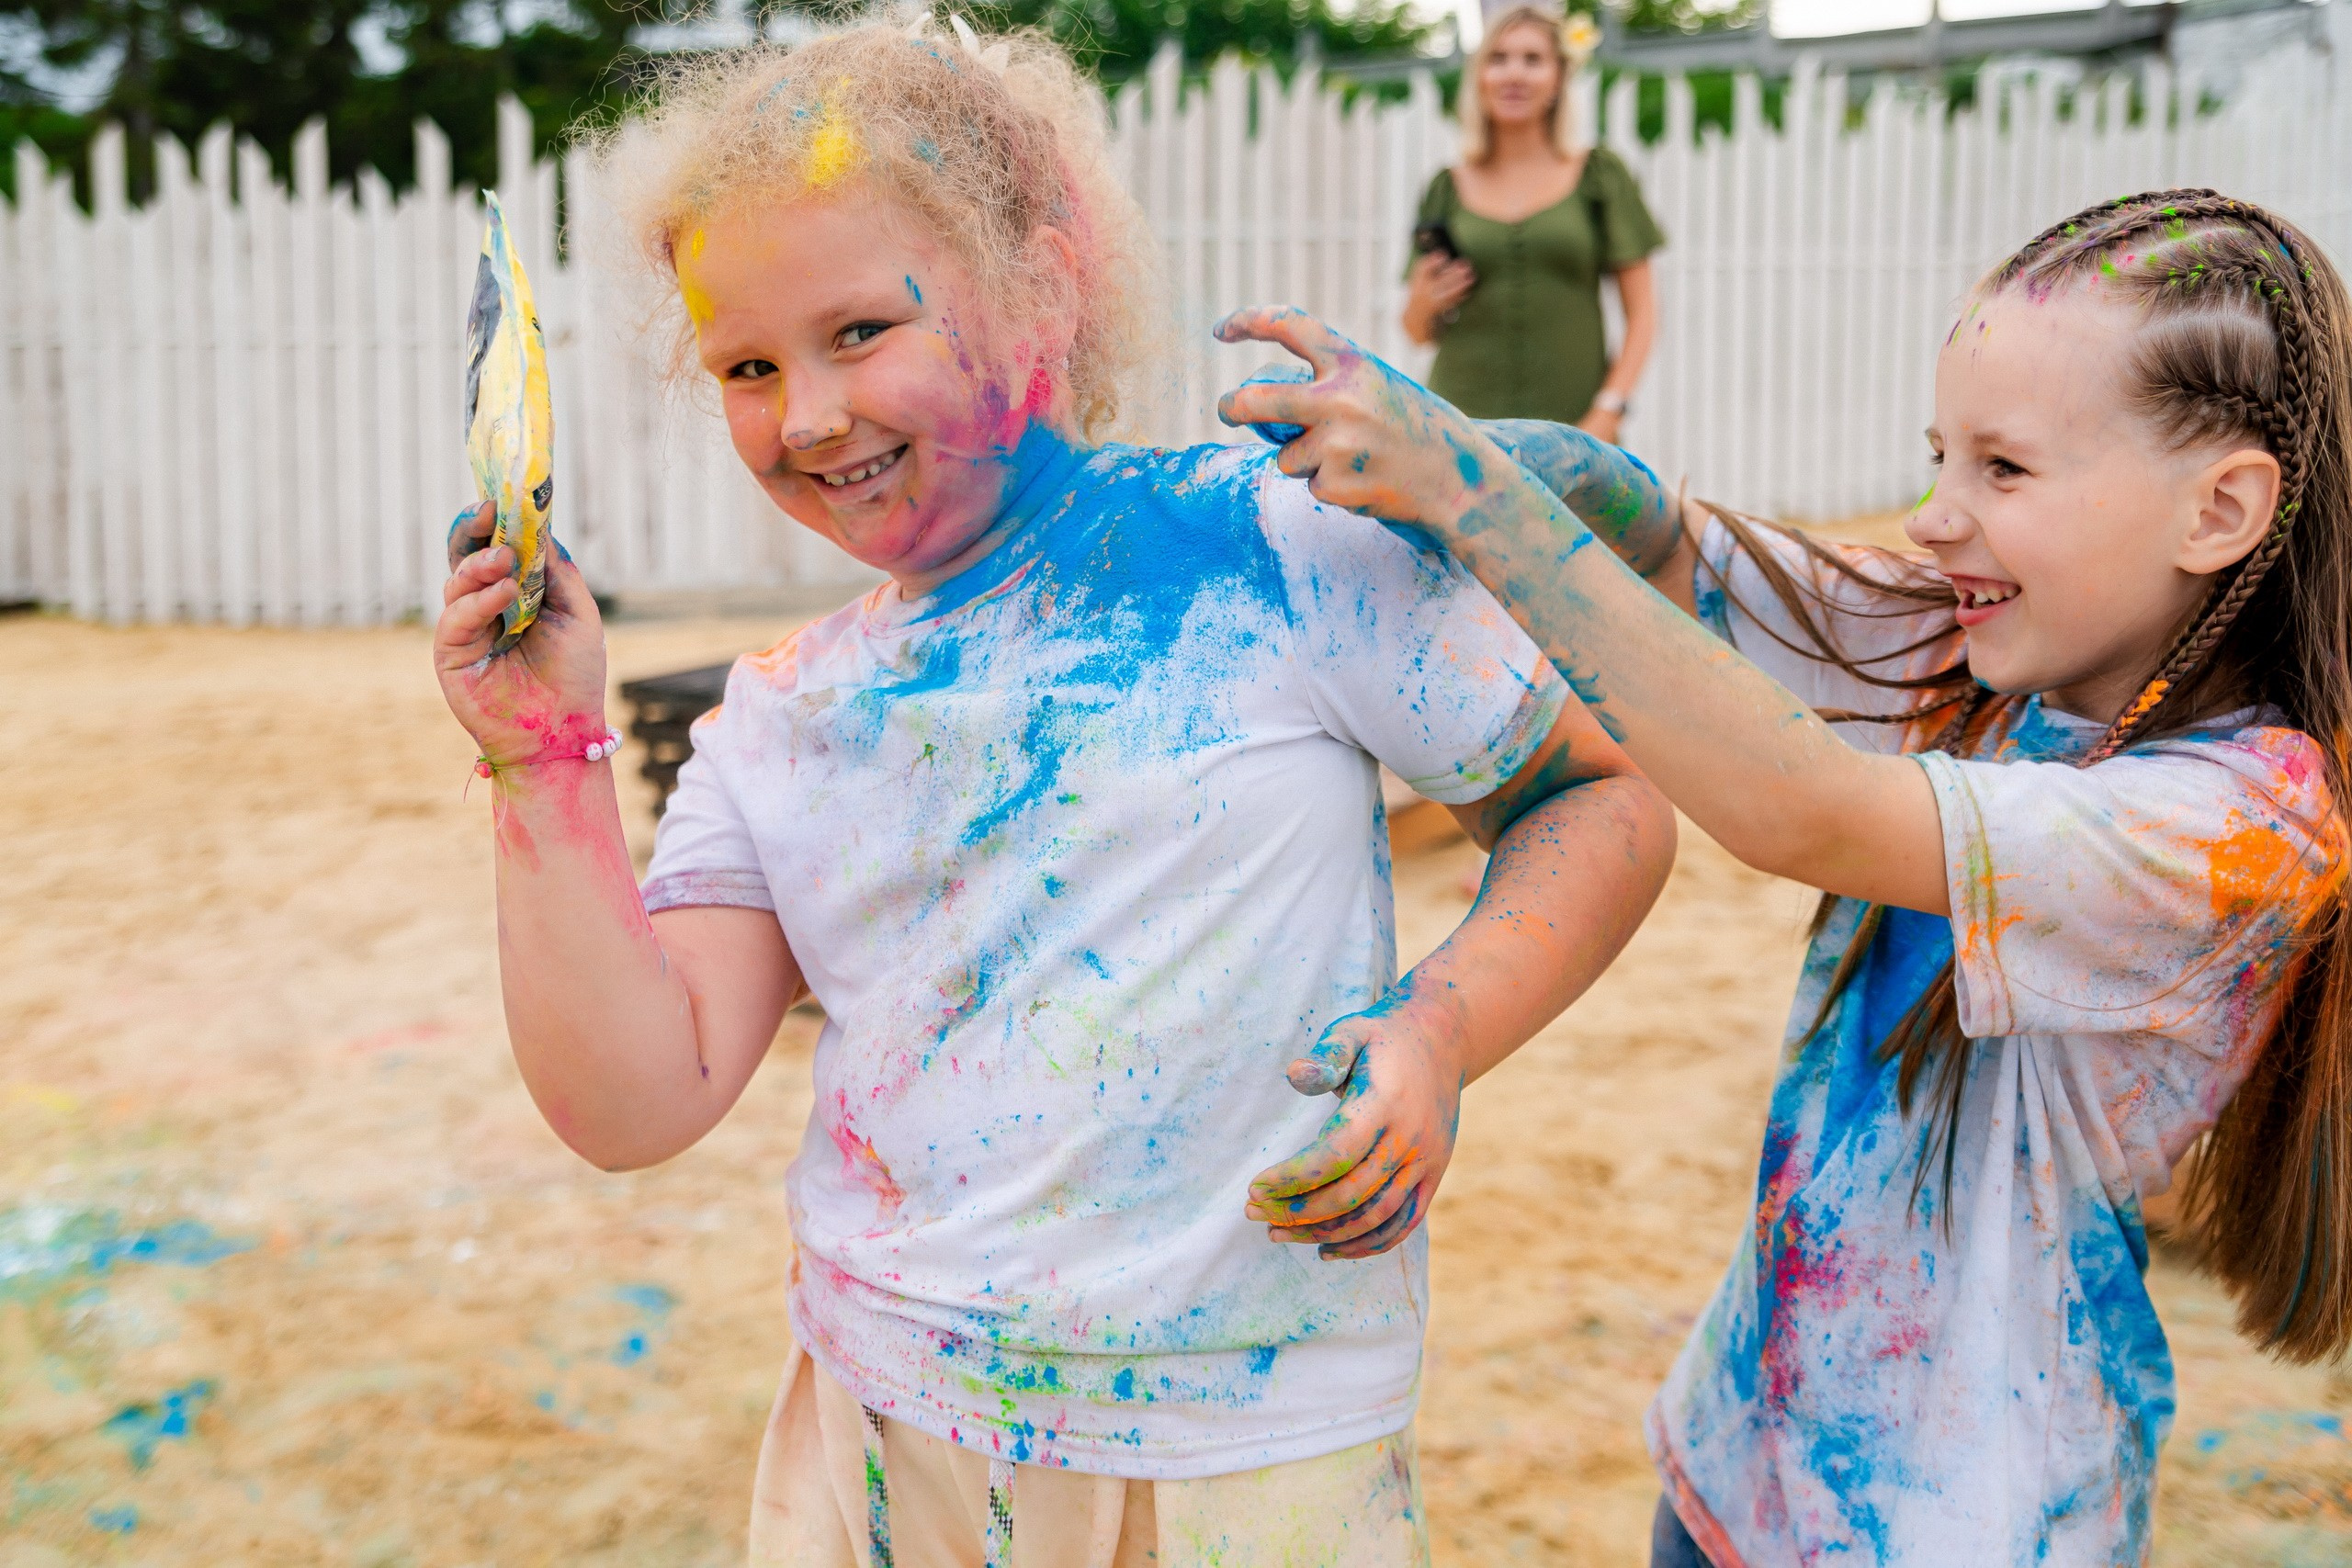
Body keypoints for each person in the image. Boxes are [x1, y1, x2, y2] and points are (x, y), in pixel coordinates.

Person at [431, 17, 1677, 1567]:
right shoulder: (779, 718)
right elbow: (633, 1098)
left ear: (1044, 281)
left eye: (859, 332)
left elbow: (1601, 801)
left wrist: (1443, 1024)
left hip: (1247, 1447)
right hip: (882, 1431)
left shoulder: (1275, 550)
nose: (806, 414)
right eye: (747, 364)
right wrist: (536, 753)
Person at [1218, 186, 2352, 1567]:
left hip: (1962, 1519)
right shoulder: (1995, 657)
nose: (1938, 518)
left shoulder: (2245, 825)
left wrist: (1480, 501)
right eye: (1941, 456)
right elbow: (1684, 553)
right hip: (1744, 1450)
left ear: (2219, 507)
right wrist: (1520, 459)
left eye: (2004, 469)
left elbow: (1802, 807)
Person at [1401, 3, 1662, 445]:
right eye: (1498, 59)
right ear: (1480, 76)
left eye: (1532, 59)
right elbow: (1417, 332)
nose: (1514, 74)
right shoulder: (1446, 187)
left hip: (1574, 434)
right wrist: (1426, 300)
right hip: (1459, 434)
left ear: (1560, 78)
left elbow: (1643, 314)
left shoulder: (1599, 175)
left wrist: (1608, 411)